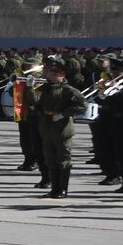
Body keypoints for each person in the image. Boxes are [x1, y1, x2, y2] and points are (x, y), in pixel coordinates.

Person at [34, 55, 87, 198]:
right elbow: (36, 103)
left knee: (63, 160)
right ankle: (54, 189)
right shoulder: (44, 88)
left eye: (54, 73)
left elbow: (82, 105)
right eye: (50, 72)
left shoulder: (68, 90)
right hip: (47, 127)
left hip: (62, 129)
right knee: (50, 160)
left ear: (62, 75)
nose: (50, 75)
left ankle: (63, 190)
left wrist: (64, 114)